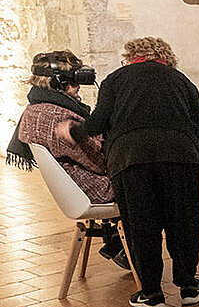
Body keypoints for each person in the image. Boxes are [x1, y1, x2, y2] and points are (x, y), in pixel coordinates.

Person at [55, 37, 199, 307]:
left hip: (130, 160)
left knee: (142, 226)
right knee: (184, 223)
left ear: (130, 57)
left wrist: (71, 130)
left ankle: (151, 293)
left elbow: (97, 122)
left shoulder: (115, 79)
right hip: (180, 158)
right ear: (167, 58)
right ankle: (189, 286)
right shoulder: (181, 81)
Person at [6, 51, 128, 269]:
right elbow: (100, 162)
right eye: (74, 79)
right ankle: (135, 256)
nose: (79, 84)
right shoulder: (60, 117)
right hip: (93, 187)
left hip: (77, 186)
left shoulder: (34, 110)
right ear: (58, 82)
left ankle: (119, 245)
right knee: (151, 185)